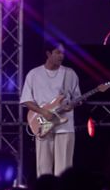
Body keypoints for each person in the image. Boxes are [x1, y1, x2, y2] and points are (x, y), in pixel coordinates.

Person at [20, 41, 81, 177]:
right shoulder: (34, 74)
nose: (61, 56)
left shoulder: (69, 74)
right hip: (43, 124)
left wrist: (72, 104)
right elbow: (26, 100)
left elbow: (77, 98)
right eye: (58, 52)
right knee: (43, 168)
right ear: (48, 54)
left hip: (65, 126)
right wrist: (44, 112)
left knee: (64, 170)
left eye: (63, 53)